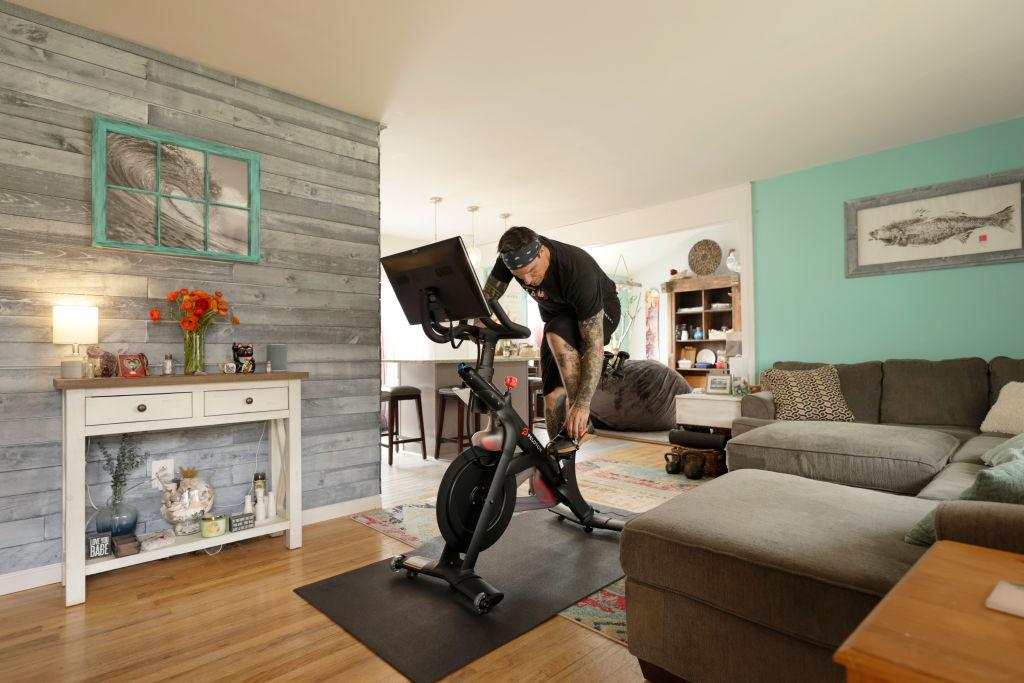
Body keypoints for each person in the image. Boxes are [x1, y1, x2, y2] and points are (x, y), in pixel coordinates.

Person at [482, 226, 620, 450]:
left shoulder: (576, 269)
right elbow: (487, 298)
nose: (528, 279)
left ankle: (583, 425)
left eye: (532, 270)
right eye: (520, 276)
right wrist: (477, 323)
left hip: (603, 313)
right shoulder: (511, 260)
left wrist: (582, 405)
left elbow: (595, 345)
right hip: (556, 323)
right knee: (551, 396)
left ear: (542, 252)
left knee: (556, 329)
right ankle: (559, 453)